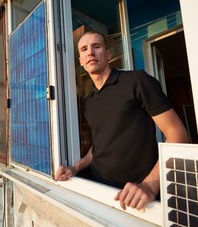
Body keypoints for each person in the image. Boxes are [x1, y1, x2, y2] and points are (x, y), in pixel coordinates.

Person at [55, 31, 189, 211]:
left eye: (96, 46)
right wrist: (75, 168)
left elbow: (178, 135)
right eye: (84, 49)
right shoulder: (89, 101)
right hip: (99, 190)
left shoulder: (136, 81)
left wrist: (150, 185)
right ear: (80, 60)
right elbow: (99, 145)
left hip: (138, 196)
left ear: (108, 54)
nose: (90, 53)